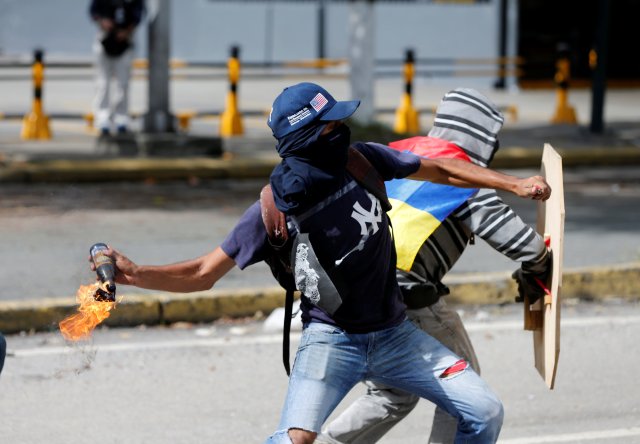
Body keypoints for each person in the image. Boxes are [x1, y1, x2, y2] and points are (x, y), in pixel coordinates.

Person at [94, 83, 550, 444]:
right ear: (308, 141)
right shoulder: (273, 211)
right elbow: (201, 273)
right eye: (331, 126)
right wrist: (135, 274)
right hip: (331, 341)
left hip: (397, 335)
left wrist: (512, 184)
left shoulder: (361, 160)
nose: (342, 130)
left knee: (485, 410)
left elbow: (443, 171)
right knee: (295, 439)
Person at [318, 88, 552, 444]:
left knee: (391, 395)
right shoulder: (464, 177)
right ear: (484, 142)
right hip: (405, 295)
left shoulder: (403, 153)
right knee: (465, 394)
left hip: (353, 290)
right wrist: (537, 268)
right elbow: (526, 246)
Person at [89, 0, 145, 136]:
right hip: (104, 39)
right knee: (103, 82)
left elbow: (139, 13)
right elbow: (93, 11)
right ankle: (103, 118)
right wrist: (103, 22)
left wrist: (126, 31)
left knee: (123, 83)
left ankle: (122, 118)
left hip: (125, 42)